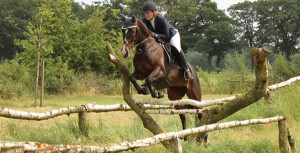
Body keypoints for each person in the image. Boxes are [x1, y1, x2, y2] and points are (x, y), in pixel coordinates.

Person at [142, 1, 193, 80]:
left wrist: (155, 35)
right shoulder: (145, 21)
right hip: (159, 37)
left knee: (175, 48)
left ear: (153, 12)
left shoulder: (160, 18)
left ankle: (187, 70)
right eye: (144, 13)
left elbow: (167, 36)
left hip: (172, 35)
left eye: (147, 13)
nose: (146, 15)